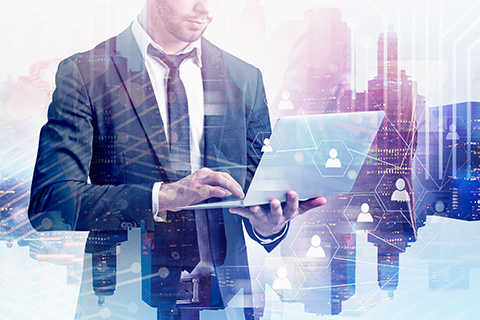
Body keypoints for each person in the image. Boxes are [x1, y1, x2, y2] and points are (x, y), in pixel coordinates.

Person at [27, 0, 326, 319]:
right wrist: (162, 196)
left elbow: (255, 193)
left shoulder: (244, 78)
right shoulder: (87, 74)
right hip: (124, 301)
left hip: (226, 304)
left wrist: (269, 224)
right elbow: (50, 203)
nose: (206, 10)